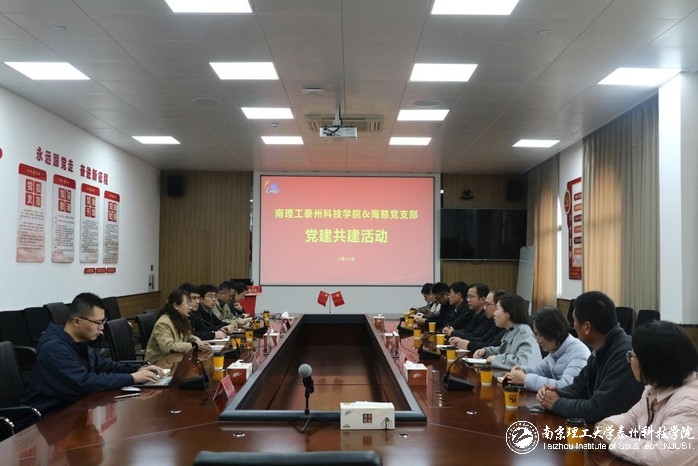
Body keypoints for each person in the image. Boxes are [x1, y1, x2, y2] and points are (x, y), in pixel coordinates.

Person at [22, 292, 164, 416]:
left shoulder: (77, 342)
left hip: (74, 408)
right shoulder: (54, 349)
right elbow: (83, 383)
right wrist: (132, 378)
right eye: (98, 322)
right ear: (77, 321)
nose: (101, 328)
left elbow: (105, 365)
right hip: (47, 417)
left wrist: (137, 369)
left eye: (103, 322)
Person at [595, 321, 698, 465]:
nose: (630, 360)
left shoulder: (688, 403)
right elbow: (632, 417)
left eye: (632, 355)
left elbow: (666, 457)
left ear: (651, 362)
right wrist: (609, 425)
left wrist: (616, 440)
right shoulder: (656, 388)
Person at [537, 291, 644, 423]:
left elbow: (599, 410)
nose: (573, 326)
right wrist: (558, 393)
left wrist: (556, 403)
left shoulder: (625, 355)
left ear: (586, 327)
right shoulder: (601, 347)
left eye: (574, 321)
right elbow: (581, 386)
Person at [505, 306, 590, 391]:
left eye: (540, 335)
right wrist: (522, 370)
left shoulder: (579, 353)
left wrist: (525, 379)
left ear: (554, 332)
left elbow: (566, 386)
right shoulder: (556, 349)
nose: (537, 340)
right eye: (536, 335)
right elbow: (539, 370)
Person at [472, 293, 542, 370]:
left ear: (508, 313)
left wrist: (496, 359)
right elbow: (503, 351)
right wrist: (486, 351)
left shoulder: (524, 333)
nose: (494, 313)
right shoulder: (512, 330)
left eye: (497, 309)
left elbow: (523, 362)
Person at [145, 289, 206, 365]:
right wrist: (194, 345)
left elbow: (188, 336)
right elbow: (168, 347)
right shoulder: (163, 323)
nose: (190, 307)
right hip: (158, 364)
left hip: (174, 361)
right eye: (187, 304)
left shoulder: (181, 319)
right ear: (176, 305)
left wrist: (196, 340)